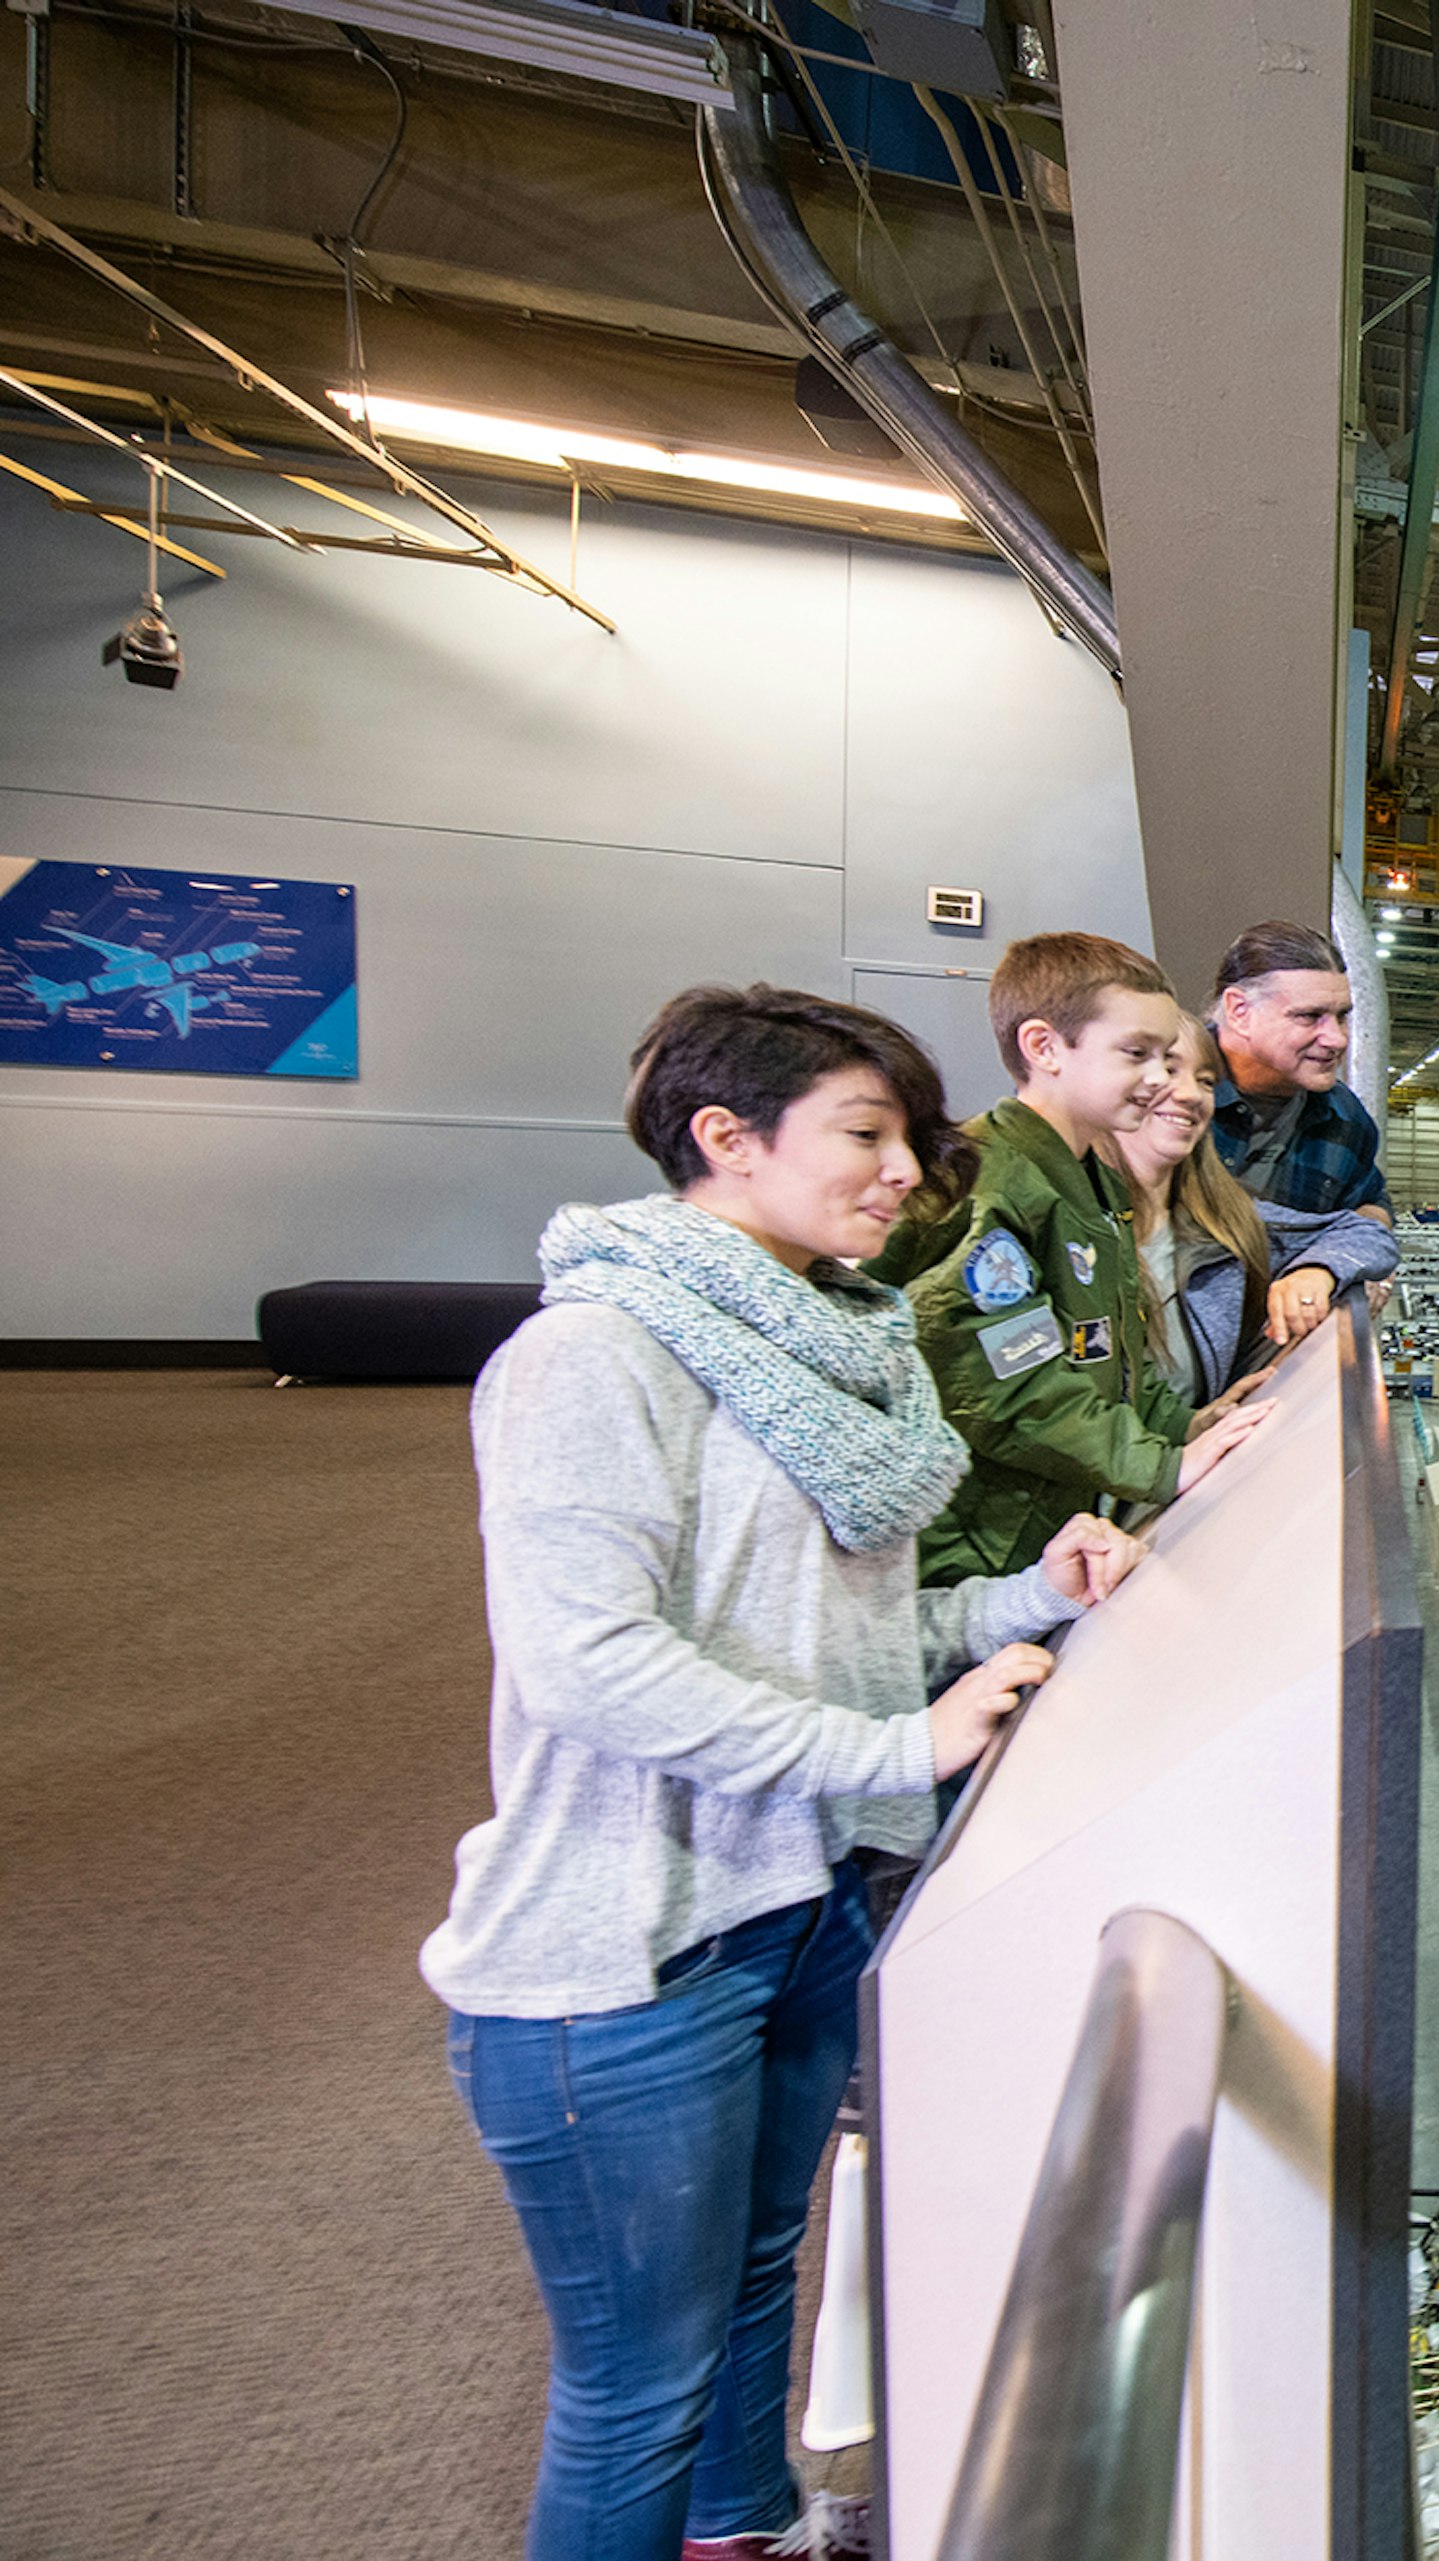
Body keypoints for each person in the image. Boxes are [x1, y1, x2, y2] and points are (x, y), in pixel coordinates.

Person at [427, 985, 1151, 2561]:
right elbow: (589, 1668)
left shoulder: (838, 1351)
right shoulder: (592, 1360)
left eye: (907, 1138)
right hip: (630, 1956)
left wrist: (1025, 1598)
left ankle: (746, 2534)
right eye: (866, 1135)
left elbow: (850, 1629)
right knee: (637, 2392)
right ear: (724, 1138)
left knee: (761, 2278)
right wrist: (901, 1747)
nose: (904, 1174)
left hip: (806, 1899)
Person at [873, 932, 1271, 1582]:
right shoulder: (991, 1182)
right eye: (1136, 1054)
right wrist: (1163, 1466)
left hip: (1046, 1534)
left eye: (1167, 1057)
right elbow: (1011, 1387)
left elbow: (1113, 1357)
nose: (1159, 1080)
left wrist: (1187, 1423)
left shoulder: (1095, 1179)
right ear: (1044, 1047)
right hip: (971, 1555)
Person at [1205, 917, 1400, 1346]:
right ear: (1239, 1011)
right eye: (1310, 1017)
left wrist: (1329, 1262)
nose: (1336, 1039)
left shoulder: (1344, 1118)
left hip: (1257, 1363)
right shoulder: (1168, 1095)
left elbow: (1369, 1204)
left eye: (1342, 1017)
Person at [1111, 1020, 1273, 1405]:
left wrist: (1319, 1271)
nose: (1190, 1095)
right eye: (1168, 1070)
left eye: (1205, 1080)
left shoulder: (1224, 1219)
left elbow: (1354, 1234)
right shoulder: (1068, 1222)